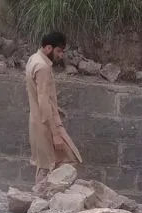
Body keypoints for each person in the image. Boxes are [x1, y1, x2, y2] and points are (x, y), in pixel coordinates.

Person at [25, 31, 82, 193]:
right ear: (48, 48)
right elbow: (42, 100)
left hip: (38, 121)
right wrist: (55, 133)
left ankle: (40, 200)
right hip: (46, 124)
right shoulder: (42, 67)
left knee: (44, 164)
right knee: (68, 159)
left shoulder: (33, 59)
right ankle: (43, 199)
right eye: (59, 51)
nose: (61, 55)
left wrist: (56, 109)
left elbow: (39, 96)